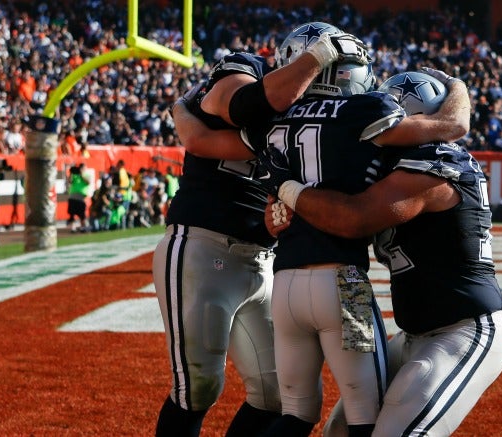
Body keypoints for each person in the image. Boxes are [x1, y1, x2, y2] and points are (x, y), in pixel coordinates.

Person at [183, 52, 470, 436]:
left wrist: (179, 108)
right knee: (367, 410)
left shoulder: (277, 118)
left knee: (296, 413)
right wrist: (458, 86)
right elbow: (451, 125)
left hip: (284, 286)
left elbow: (200, 140)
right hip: (344, 283)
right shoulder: (365, 109)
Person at [259, 71, 502, 436]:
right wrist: (282, 210)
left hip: (463, 329)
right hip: (408, 331)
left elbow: (353, 218)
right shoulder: (387, 168)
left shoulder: (435, 164)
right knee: (341, 430)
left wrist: (285, 187)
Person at [154, 23, 371, 437]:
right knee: (296, 400)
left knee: (305, 402)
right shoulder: (266, 88)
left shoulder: (345, 127)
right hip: (313, 280)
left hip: (328, 281)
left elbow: (200, 138)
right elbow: (221, 126)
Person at [66, 163, 91, 232]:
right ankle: (72, 228)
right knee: (72, 214)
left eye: (83, 168)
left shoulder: (87, 175)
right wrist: (71, 173)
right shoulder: (74, 175)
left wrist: (81, 174)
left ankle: (83, 227)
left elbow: (88, 182)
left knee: (82, 214)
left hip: (81, 198)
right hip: (72, 197)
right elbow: (69, 181)